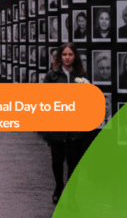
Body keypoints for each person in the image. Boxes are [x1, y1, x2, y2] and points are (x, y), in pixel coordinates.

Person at [43, 43, 87, 210]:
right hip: (57, 125)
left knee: (74, 162)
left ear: (74, 56)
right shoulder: (52, 76)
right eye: (64, 54)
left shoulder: (81, 76)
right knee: (57, 160)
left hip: (75, 126)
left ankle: (72, 193)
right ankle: (59, 186)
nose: (67, 57)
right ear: (60, 57)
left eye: (70, 54)